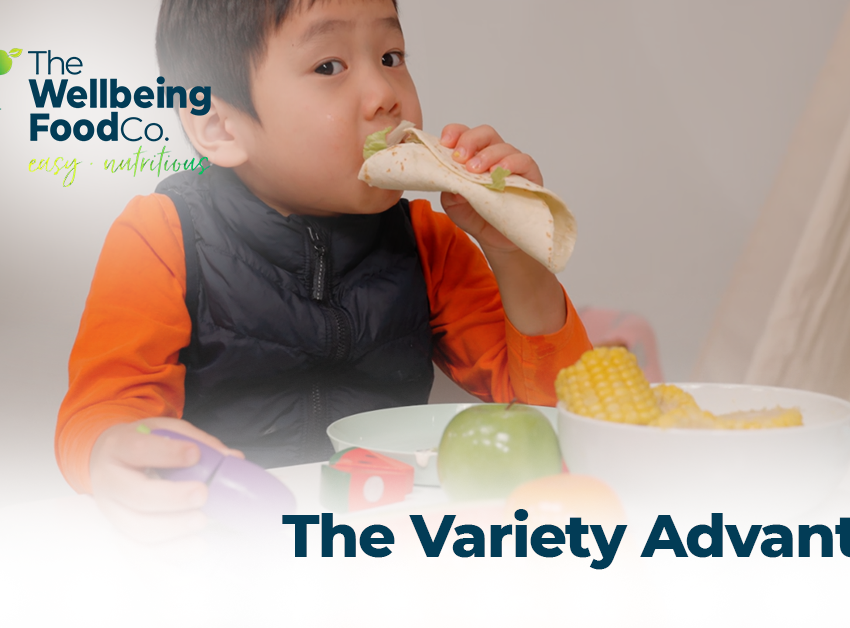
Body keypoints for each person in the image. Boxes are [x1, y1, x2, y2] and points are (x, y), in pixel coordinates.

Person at [55, 0, 591, 540]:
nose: (386, 97)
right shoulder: (162, 234)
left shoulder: (429, 241)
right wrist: (110, 453)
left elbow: (556, 415)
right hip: (225, 535)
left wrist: (516, 253)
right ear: (220, 127)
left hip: (376, 535)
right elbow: (101, 416)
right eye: (329, 67)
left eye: (390, 55)